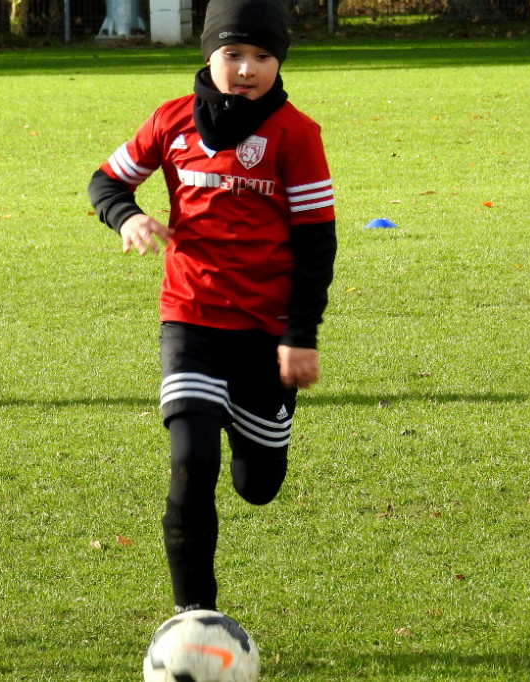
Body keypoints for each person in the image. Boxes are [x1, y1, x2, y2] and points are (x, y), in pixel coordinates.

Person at [88, 0, 336, 616]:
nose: (246, 68)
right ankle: (194, 618)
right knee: (192, 461)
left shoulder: (297, 135)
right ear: (209, 55)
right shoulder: (172, 121)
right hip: (191, 316)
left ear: (279, 61)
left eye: (261, 56)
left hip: (266, 331)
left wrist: (299, 335)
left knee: (257, 486)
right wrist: (130, 215)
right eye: (232, 54)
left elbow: (316, 243)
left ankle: (252, 418)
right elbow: (105, 181)